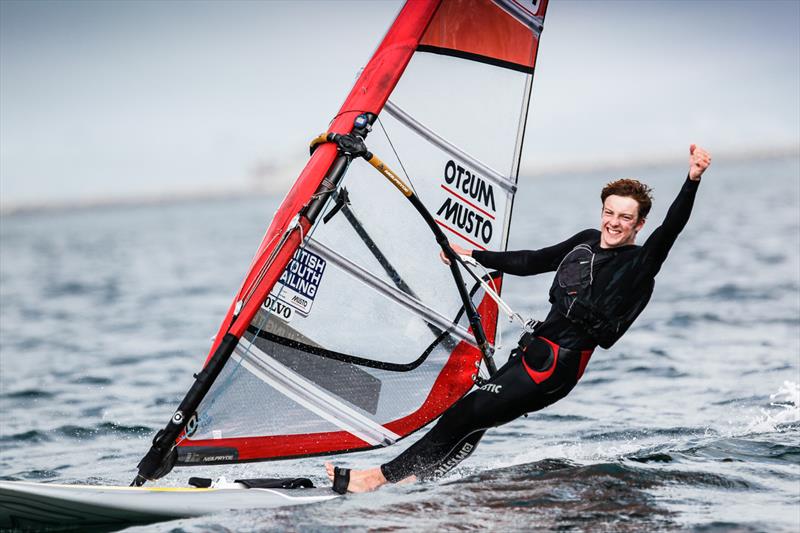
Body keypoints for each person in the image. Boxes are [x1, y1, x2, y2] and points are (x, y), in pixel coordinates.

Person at [326, 144, 712, 493]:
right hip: (533, 355)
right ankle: (416, 479)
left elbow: (672, 227)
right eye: (609, 212)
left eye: (625, 217)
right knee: (472, 420)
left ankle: (375, 479)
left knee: (467, 413)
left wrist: (691, 180)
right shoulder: (587, 240)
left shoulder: (640, 264)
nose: (613, 222)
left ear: (638, 225)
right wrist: (475, 256)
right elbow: (534, 260)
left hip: (555, 368)